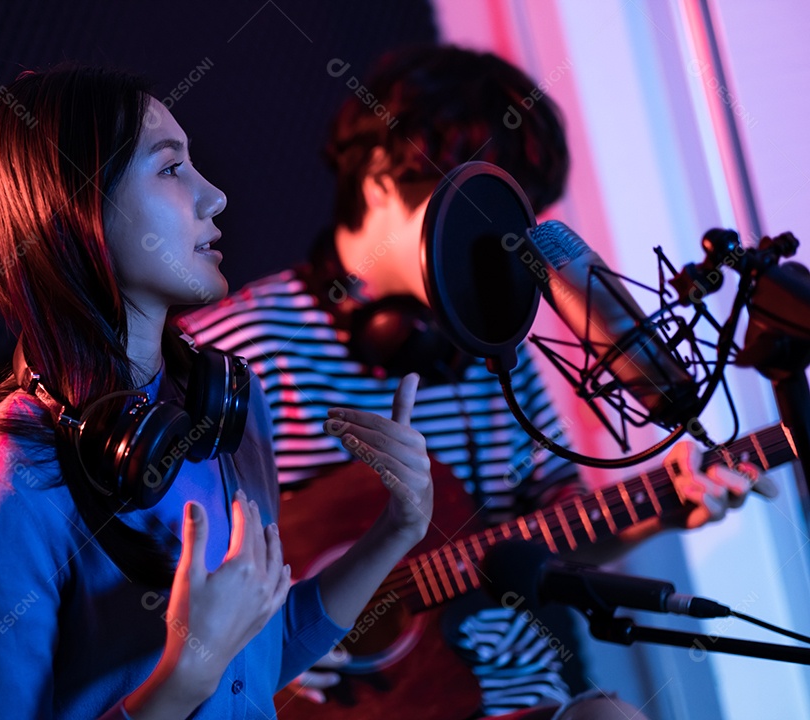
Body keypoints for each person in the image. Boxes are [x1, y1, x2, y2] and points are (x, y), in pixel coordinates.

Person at [177, 44, 769, 719]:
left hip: (522, 699)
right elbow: (159, 557)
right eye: (475, 211)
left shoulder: (497, 352)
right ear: (378, 178)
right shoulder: (238, 349)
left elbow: (557, 527)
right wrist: (265, 646)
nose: (498, 245)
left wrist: (666, 505)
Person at [0, 64, 443, 719]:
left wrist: (396, 530)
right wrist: (184, 672)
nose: (215, 196)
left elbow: (255, 663)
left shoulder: (228, 409)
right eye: (171, 169)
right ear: (74, 207)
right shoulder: (6, 487)